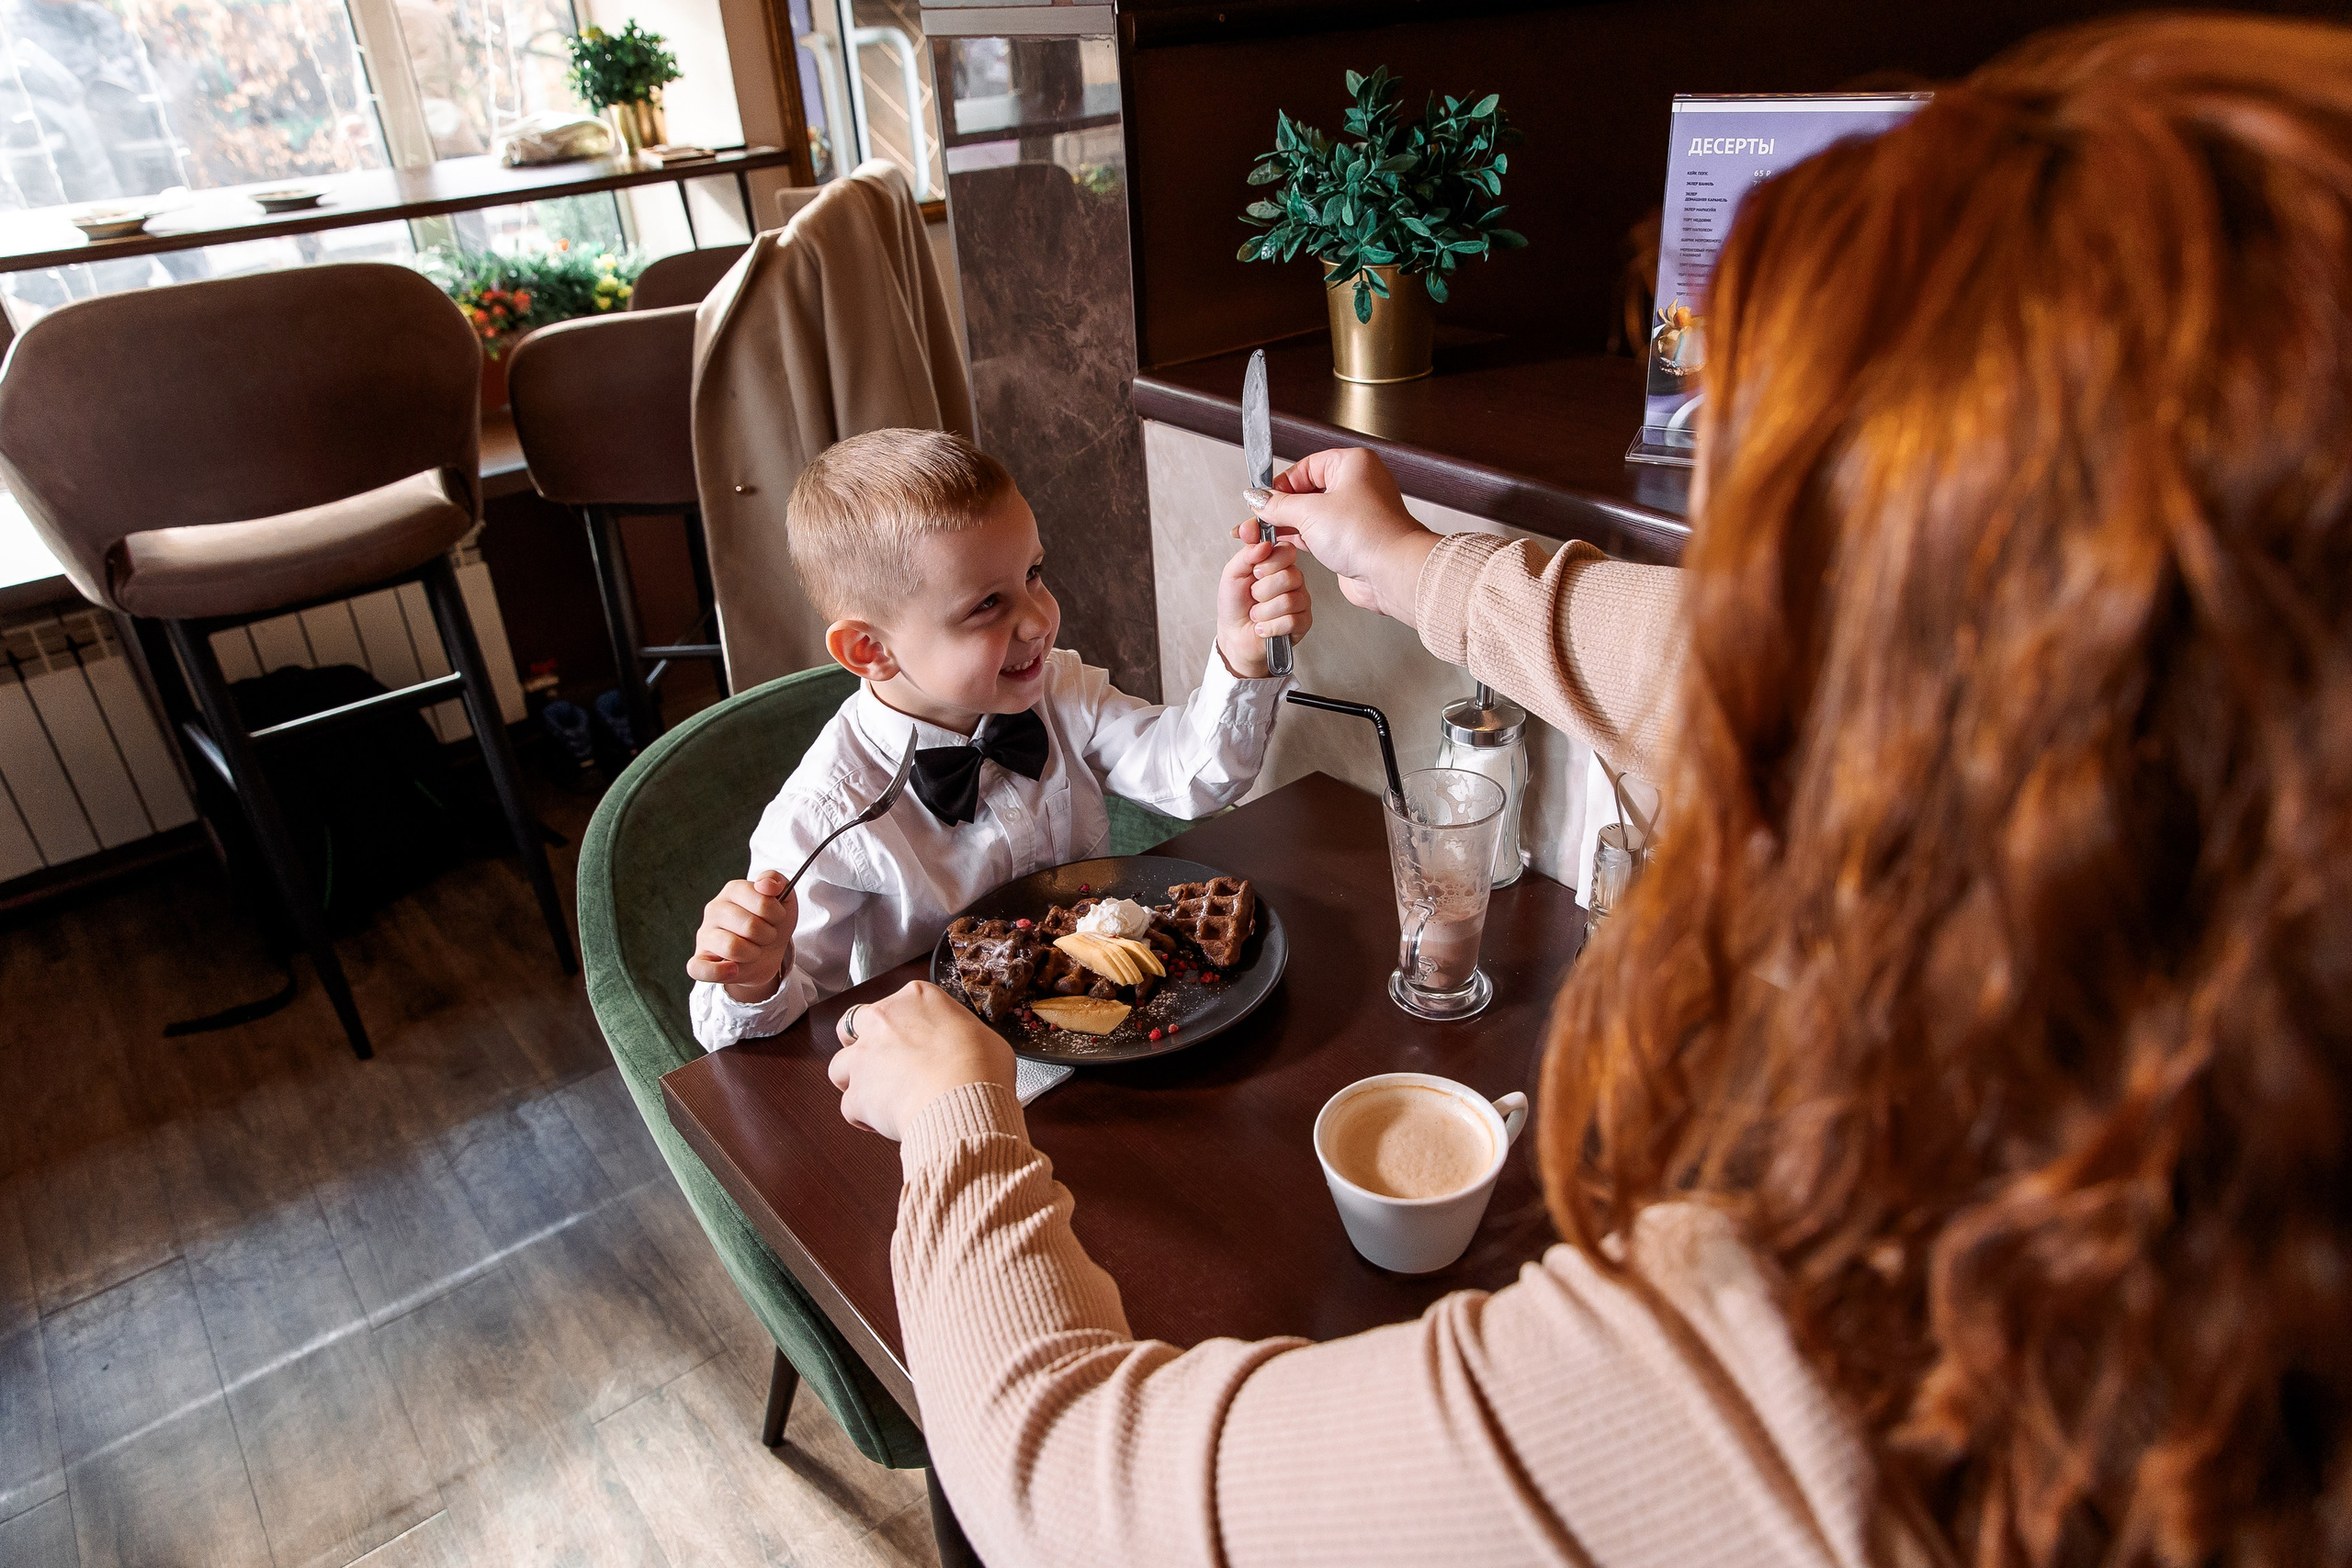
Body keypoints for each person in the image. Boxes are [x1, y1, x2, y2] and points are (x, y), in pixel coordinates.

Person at [822, 16, 2352, 1568]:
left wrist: (960, 1123)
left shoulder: (1811, 1360)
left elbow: (1077, 1495)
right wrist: (1420, 564)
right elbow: (1754, 670)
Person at [685, 428, 1312, 1045]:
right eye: (987, 604)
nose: (1040, 619)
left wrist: (1242, 655)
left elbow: (1194, 777)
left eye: (1034, 572)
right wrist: (754, 977)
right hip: (947, 1081)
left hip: (1112, 1027)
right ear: (869, 648)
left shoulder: (1058, 689)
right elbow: (773, 1033)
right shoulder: (826, 814)